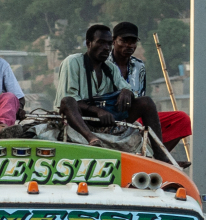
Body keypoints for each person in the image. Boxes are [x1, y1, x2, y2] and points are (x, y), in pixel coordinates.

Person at [55, 25, 172, 163]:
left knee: (146, 102)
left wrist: (126, 91)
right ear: (88, 43)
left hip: (105, 121)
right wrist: (97, 111)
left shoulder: (111, 68)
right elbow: (70, 99)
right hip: (78, 119)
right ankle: (91, 138)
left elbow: (127, 88)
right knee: (68, 101)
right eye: (101, 42)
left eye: (109, 44)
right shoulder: (73, 62)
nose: (106, 47)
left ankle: (161, 155)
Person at [108, 22, 192, 152]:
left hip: (135, 115)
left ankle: (159, 157)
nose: (129, 45)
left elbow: (140, 97)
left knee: (182, 119)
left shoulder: (139, 65)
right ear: (114, 41)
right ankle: (157, 155)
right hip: (111, 114)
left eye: (133, 42)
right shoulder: (104, 62)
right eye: (124, 41)